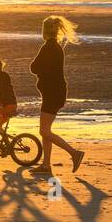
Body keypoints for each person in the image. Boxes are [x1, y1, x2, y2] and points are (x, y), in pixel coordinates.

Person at [29, 15, 85, 174]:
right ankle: (46, 165)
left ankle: (74, 153)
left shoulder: (49, 47)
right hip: (54, 93)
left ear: (45, 31)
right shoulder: (55, 47)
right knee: (45, 129)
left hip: (53, 94)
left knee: (44, 131)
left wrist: (39, 69)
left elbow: (34, 67)